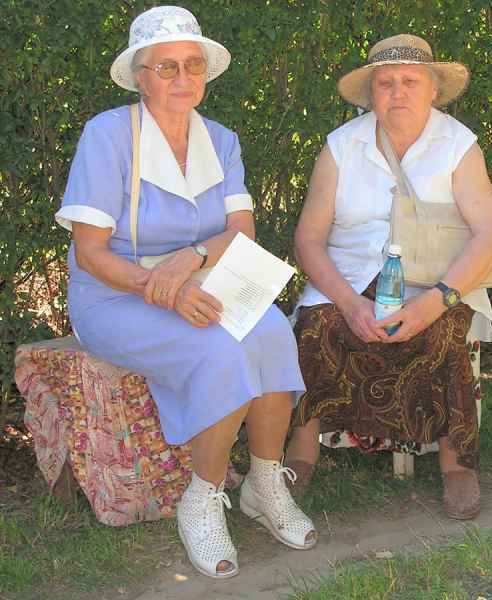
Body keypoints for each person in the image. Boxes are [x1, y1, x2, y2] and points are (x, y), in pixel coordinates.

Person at [55, 6, 316, 579]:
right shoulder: (108, 135)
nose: (182, 77)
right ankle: (202, 498)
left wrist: (193, 257)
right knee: (219, 350)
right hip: (114, 295)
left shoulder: (221, 140)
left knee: (273, 332)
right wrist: (165, 290)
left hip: (201, 280)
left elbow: (241, 231)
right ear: (140, 77)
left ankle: (264, 485)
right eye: (166, 66)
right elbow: (91, 253)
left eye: (192, 64)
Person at [285, 34, 492, 520]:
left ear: (433, 90)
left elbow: (491, 235)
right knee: (318, 328)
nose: (398, 92)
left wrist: (435, 301)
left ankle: (457, 464)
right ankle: (301, 453)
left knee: (442, 333)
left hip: (439, 281)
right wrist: (349, 303)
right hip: (348, 279)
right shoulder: (342, 146)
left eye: (410, 81)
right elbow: (309, 239)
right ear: (370, 95)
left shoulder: (458, 145)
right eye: (385, 83)